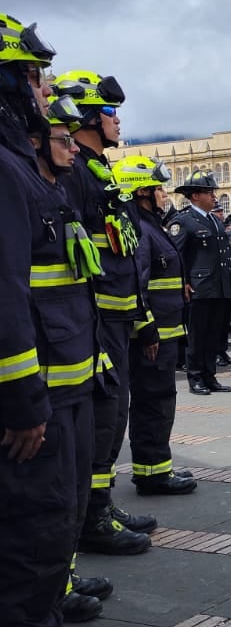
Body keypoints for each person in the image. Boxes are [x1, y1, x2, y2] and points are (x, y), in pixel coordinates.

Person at [1, 12, 110, 627]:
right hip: (26, 406)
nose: (46, 92)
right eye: (35, 77)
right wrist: (23, 401)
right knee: (30, 543)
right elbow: (5, 296)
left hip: (53, 382)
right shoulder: (8, 172)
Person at [53, 69, 158, 555]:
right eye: (111, 112)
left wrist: (140, 316)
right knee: (102, 417)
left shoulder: (97, 172)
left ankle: (101, 502)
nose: (118, 122)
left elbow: (123, 254)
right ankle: (92, 517)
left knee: (114, 415)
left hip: (116, 319)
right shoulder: (75, 175)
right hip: (94, 322)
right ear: (91, 115)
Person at [112, 155, 199, 499]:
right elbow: (138, 284)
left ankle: (156, 468)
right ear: (140, 193)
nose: (164, 194)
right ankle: (152, 474)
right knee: (153, 403)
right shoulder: (140, 229)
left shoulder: (151, 225)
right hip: (152, 337)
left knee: (159, 401)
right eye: (157, 188)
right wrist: (146, 330)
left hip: (164, 332)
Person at [171, 170, 231, 394]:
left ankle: (210, 376)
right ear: (195, 196)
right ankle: (196, 378)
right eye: (209, 192)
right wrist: (183, 282)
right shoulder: (184, 221)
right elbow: (175, 255)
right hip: (199, 288)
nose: (214, 196)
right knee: (198, 336)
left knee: (214, 335)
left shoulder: (214, 221)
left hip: (219, 286)